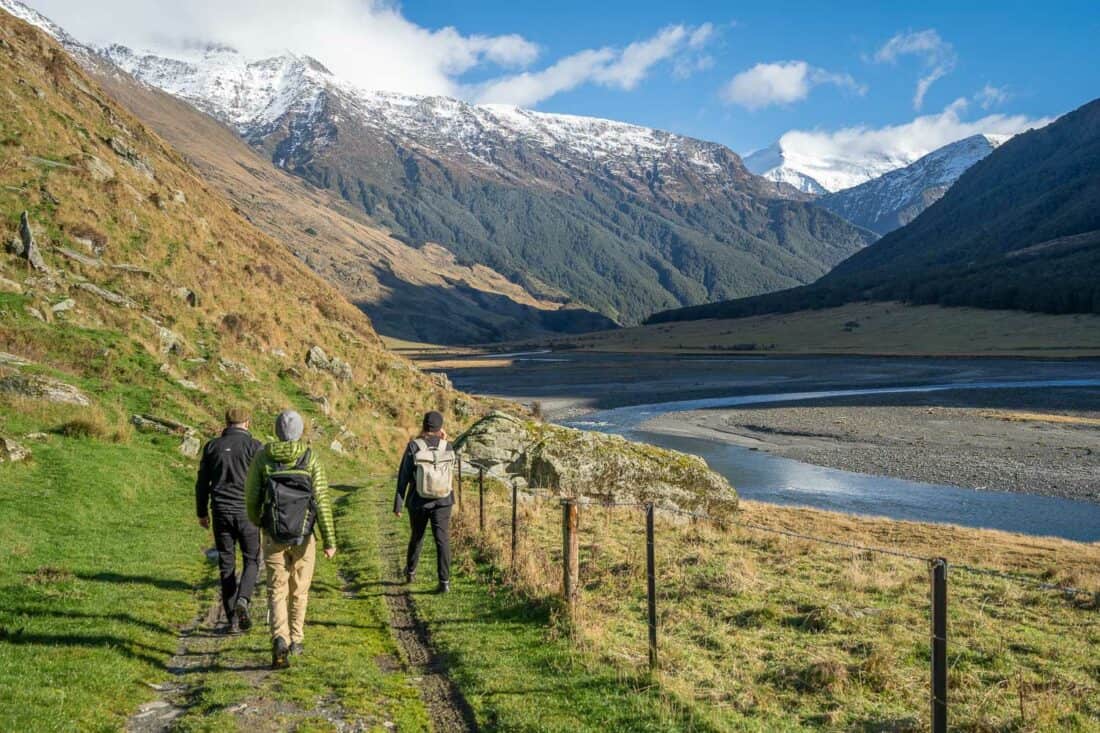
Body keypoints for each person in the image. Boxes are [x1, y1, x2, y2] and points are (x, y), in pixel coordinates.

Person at [245, 410, 336, 669]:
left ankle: (279, 638)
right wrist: (329, 540)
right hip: (304, 536)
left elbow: (251, 497)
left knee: (277, 589)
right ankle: (296, 638)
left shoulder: (263, 457)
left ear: (276, 430)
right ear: (300, 431)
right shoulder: (310, 458)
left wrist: (258, 521)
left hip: (273, 533)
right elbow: (322, 501)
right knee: (300, 589)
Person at [195, 407, 263, 634]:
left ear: (225, 423)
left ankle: (232, 620)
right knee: (252, 559)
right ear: (247, 423)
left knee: (226, 563)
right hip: (247, 513)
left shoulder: (212, 446)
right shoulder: (255, 447)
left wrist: (202, 512)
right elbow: (264, 481)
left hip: (221, 512)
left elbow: (202, 483)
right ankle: (244, 599)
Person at [395, 411, 455, 594]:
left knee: (417, 536)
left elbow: (403, 475)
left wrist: (398, 504)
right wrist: (445, 440)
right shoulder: (448, 446)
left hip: (418, 500)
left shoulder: (414, 446)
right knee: (442, 540)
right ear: (440, 427)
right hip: (443, 500)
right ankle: (444, 582)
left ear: (424, 426)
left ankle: (411, 571)